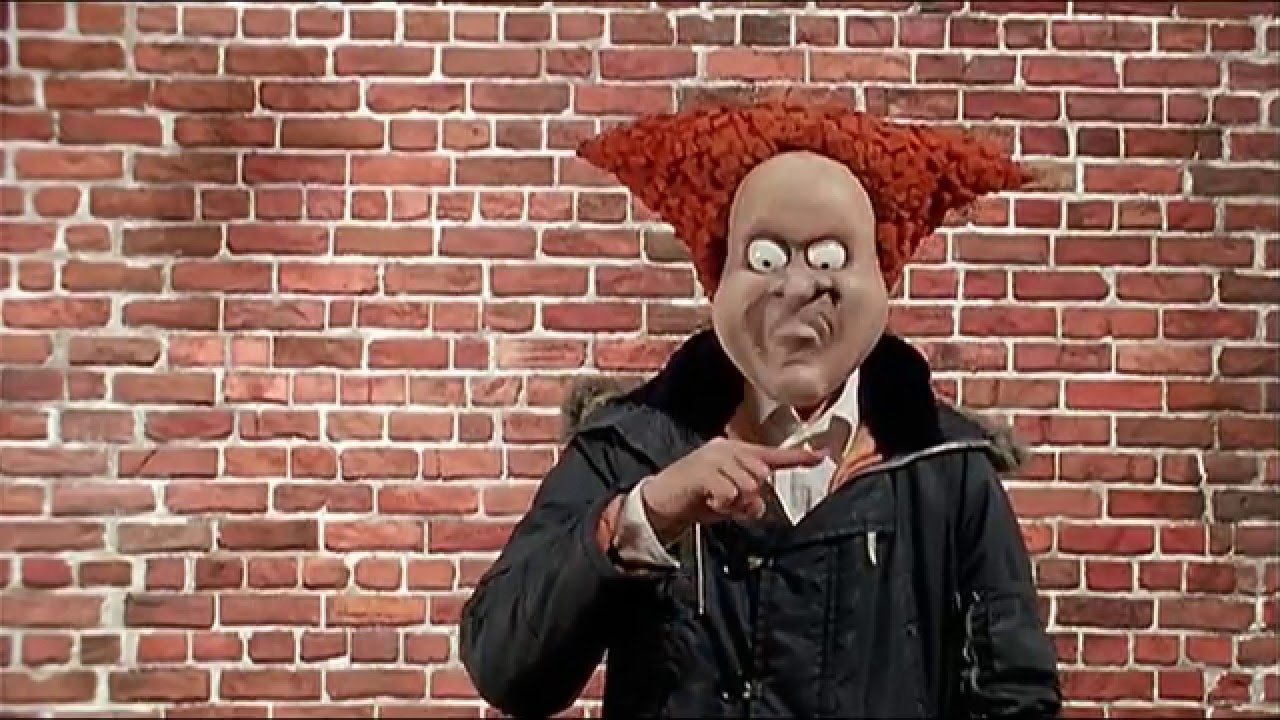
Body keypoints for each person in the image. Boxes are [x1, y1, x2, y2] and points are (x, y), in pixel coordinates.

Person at [459, 99, 1062, 718]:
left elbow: (1015, 693)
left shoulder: (945, 471)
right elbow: (506, 665)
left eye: (828, 259)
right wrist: (643, 517)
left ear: (881, 277)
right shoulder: (632, 446)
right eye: (767, 259)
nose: (797, 288)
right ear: (718, 277)